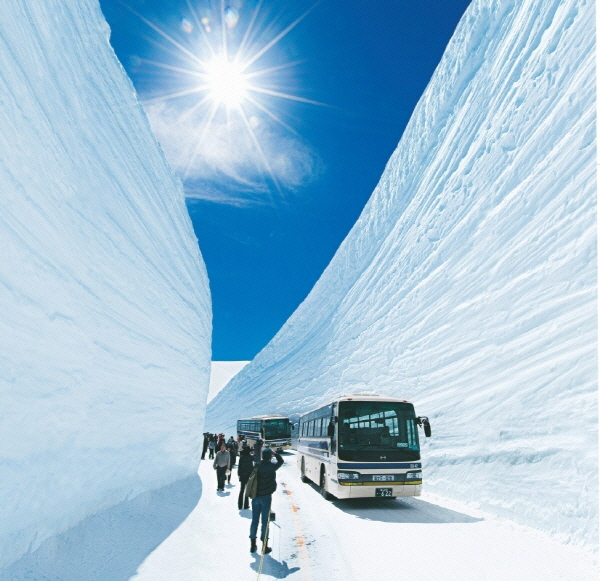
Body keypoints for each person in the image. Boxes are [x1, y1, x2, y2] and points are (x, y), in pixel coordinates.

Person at [249, 449, 283, 554]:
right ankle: (264, 546)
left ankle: (252, 545)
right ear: (270, 457)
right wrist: (276, 453)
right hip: (266, 497)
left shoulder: (257, 466)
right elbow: (281, 461)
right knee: (265, 522)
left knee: (254, 521)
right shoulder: (272, 467)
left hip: (256, 496)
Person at [237, 446, 254, 510]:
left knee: (241, 490)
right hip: (249, 475)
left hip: (242, 475)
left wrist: (239, 474)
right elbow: (255, 459)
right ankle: (246, 505)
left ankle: (240, 504)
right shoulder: (250, 457)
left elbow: (239, 467)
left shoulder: (241, 457)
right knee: (247, 490)